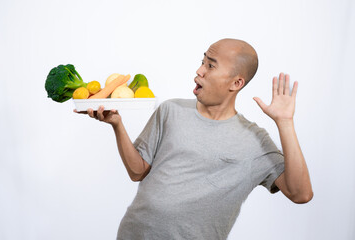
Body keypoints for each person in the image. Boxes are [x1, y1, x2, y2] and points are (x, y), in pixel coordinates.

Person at [75, 38, 313, 240]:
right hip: (133, 233)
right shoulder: (170, 110)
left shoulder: (254, 140)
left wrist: (284, 123)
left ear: (236, 82)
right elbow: (138, 171)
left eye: (210, 65)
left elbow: (300, 194)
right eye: (202, 62)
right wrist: (117, 124)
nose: (199, 71)